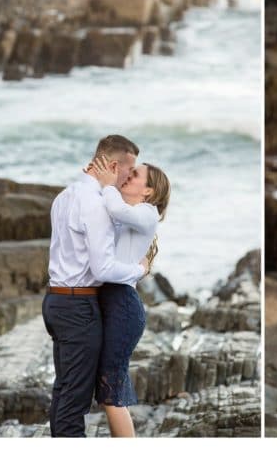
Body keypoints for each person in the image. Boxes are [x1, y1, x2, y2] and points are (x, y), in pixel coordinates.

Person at [42, 135, 147, 437]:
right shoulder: (96, 203)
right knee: (74, 401)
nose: (129, 178)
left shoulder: (64, 196)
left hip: (55, 301)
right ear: (113, 166)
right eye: (129, 171)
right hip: (78, 307)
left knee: (64, 391)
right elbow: (102, 268)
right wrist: (138, 270)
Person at [88, 155, 170, 437]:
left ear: (148, 191)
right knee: (110, 390)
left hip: (123, 307)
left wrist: (108, 184)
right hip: (112, 303)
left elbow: (115, 207)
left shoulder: (148, 212)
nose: (128, 176)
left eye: (135, 175)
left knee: (111, 393)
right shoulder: (125, 213)